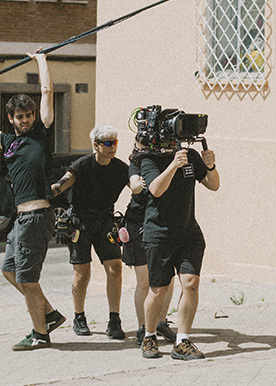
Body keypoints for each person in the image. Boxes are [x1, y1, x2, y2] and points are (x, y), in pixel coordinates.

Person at [0, 52, 66, 351]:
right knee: (9, 271)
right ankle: (49, 314)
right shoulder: (10, 143)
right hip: (20, 219)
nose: (25, 120)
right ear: (11, 119)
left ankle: (40, 334)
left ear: (33, 116)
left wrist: (40, 60)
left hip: (37, 217)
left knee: (27, 278)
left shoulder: (42, 134)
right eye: (19, 117)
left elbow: (48, 91)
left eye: (28, 115)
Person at [50, 125, 132, 339]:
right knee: (82, 272)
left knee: (115, 267)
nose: (112, 147)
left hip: (105, 221)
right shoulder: (82, 165)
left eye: (115, 142)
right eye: (107, 143)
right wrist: (50, 190)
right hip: (80, 222)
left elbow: (136, 186)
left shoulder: (121, 168)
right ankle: (79, 316)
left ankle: (114, 320)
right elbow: (64, 182)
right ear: (96, 145)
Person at [139, 145, 219, 360]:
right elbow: (156, 189)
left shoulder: (191, 156)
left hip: (188, 233)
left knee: (191, 283)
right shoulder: (149, 159)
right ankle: (149, 335)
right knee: (159, 290)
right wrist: (174, 165)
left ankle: (182, 341)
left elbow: (214, 185)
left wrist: (210, 166)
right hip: (159, 235)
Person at [123, 142, 176, 346]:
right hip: (138, 223)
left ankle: (161, 321)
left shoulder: (165, 160)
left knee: (167, 279)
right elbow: (135, 185)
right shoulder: (137, 162)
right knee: (144, 281)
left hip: (161, 222)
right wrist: (140, 183)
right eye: (141, 141)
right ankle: (143, 327)